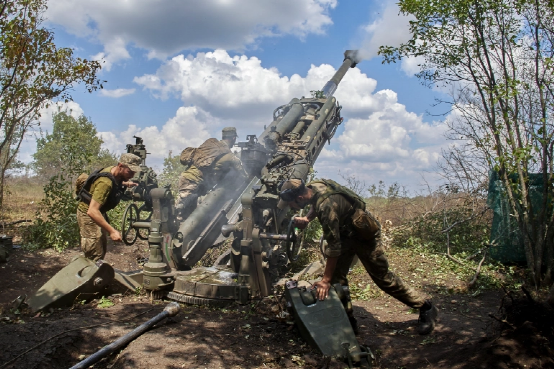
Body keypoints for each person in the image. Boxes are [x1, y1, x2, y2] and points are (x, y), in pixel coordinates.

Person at [277, 178, 438, 335]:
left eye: (291, 204)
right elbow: (315, 203)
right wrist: (307, 218)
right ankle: (347, 322)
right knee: (336, 279)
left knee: (383, 278)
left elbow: (334, 247)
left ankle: (426, 306)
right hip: (346, 234)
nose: (291, 208)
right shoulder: (313, 186)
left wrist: (324, 281)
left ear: (299, 198)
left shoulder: (327, 207)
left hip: (364, 235)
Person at [76, 153, 141, 261]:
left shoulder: (114, 172)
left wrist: (126, 184)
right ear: (120, 165)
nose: (132, 175)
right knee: (94, 254)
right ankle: (89, 275)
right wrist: (112, 231)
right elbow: (92, 211)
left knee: (101, 248)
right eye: (130, 171)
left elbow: (115, 181)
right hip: (89, 214)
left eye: (134, 172)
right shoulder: (105, 182)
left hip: (99, 212)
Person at [176, 127, 247, 218]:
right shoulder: (229, 156)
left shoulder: (210, 142)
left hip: (187, 177)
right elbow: (243, 173)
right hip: (192, 181)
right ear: (233, 138)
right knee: (181, 213)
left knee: (189, 211)